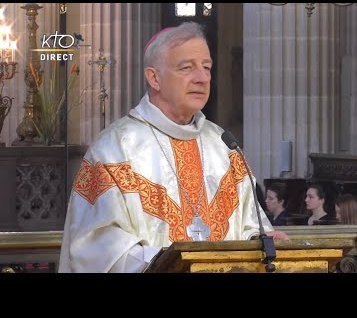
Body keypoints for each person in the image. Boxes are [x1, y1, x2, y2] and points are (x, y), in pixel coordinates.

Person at [59, 22, 288, 273]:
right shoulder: (114, 150)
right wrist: (173, 264)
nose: (202, 78)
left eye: (207, 67)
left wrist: (262, 240)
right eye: (187, 67)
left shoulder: (223, 146)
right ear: (154, 77)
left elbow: (250, 224)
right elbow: (97, 246)